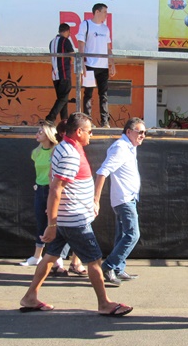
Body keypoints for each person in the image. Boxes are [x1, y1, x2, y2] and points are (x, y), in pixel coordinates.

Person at [19, 112, 133, 315]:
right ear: (79, 132)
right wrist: (51, 224)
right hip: (74, 221)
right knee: (94, 260)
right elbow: (56, 189)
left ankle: (30, 297)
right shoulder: (69, 154)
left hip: (67, 218)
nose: (91, 135)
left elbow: (57, 182)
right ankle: (104, 304)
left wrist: (58, 216)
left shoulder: (65, 147)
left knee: (50, 257)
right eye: (89, 131)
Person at [20, 120, 87, 277]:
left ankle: (62, 263)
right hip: (44, 190)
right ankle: (41, 259)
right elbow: (48, 174)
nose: (37, 134)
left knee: (62, 227)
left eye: (41, 132)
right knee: (45, 224)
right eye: (37, 131)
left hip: (58, 192)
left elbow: (56, 177)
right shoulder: (38, 152)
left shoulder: (61, 150)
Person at [93, 117, 146, 286]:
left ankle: (117, 268)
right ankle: (108, 266)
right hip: (124, 200)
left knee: (122, 235)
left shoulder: (130, 147)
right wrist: (96, 200)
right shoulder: (120, 148)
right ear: (129, 132)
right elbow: (102, 172)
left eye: (145, 133)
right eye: (140, 132)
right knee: (132, 234)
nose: (143, 136)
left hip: (129, 197)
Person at [77, 3, 116, 128]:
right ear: (97, 12)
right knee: (88, 94)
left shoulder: (105, 29)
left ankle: (105, 122)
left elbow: (108, 48)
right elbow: (81, 44)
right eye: (104, 12)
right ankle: (87, 122)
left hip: (103, 67)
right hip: (89, 65)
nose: (106, 15)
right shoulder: (86, 24)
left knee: (103, 95)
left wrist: (112, 63)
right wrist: (82, 63)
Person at [45, 23, 74, 123]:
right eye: (69, 32)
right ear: (67, 31)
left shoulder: (51, 42)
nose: (69, 34)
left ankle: (64, 121)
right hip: (64, 73)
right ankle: (50, 117)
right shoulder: (65, 41)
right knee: (63, 98)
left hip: (55, 75)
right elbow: (73, 55)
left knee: (62, 100)